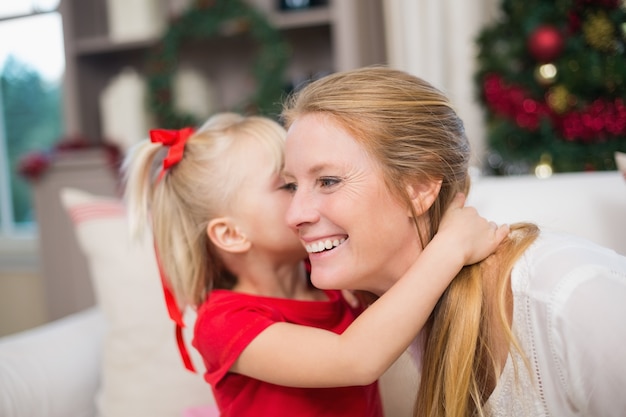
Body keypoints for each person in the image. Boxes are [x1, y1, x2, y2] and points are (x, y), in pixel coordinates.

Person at [280, 66, 626, 417]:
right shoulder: (384, 319)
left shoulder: (569, 296)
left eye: (327, 181)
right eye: (291, 186)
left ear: (420, 187)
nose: (294, 215)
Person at [121, 112, 506, 417]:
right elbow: (354, 360)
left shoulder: (329, 279)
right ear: (231, 235)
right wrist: (449, 248)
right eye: (288, 185)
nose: (309, 203)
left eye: (320, 181)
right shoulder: (225, 323)